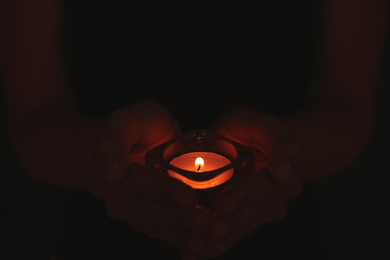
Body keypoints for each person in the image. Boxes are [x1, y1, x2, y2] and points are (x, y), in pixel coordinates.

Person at [0, 0, 387, 259]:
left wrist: (283, 156)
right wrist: (107, 159)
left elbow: (348, 105)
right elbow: (33, 119)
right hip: (96, 243)